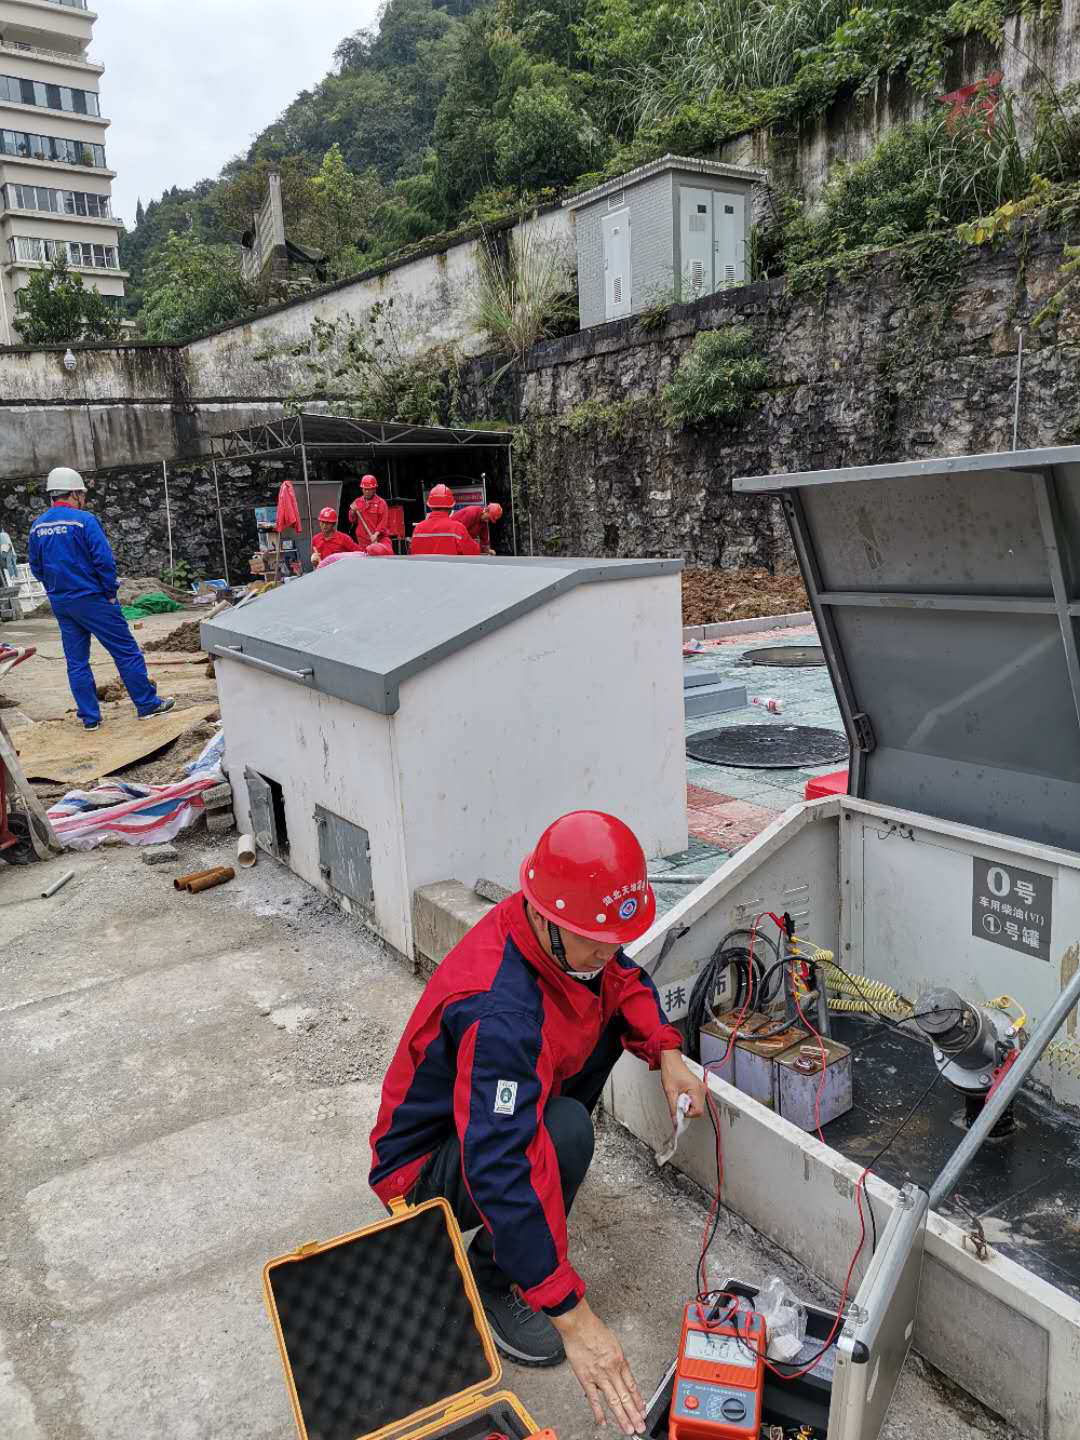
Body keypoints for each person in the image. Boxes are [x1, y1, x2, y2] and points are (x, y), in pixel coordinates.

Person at [370, 811, 706, 1436]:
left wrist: (666, 1051)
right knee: (563, 1134)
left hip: (487, 1117)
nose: (607, 953)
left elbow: (624, 978)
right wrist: (569, 1311)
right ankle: (499, 1280)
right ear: (548, 919)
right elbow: (499, 1166)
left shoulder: (566, 944)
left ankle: (533, 1193)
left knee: (584, 1067)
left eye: (612, 938)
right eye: (594, 941)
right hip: (417, 1175)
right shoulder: (502, 1015)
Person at [28, 467, 175, 732]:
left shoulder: (38, 526)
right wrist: (109, 592)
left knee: (76, 661)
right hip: (93, 598)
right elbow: (104, 560)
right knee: (125, 651)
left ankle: (90, 718)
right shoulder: (84, 521)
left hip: (62, 602)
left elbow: (36, 568)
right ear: (74, 493)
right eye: (82, 493)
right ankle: (147, 705)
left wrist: (55, 590)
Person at [409, 484, 481, 556]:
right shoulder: (457, 528)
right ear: (451, 507)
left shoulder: (418, 528)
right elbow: (474, 552)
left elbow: (413, 552)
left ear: (430, 507)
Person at [349, 473, 390, 548]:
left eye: (369, 489)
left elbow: (383, 523)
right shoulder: (357, 502)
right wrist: (353, 512)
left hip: (377, 539)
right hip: (362, 540)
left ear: (374, 489)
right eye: (365, 489)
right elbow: (352, 520)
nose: (367, 492)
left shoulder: (381, 503)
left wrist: (376, 535)